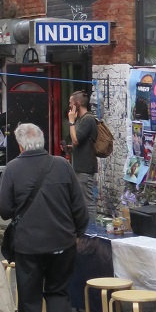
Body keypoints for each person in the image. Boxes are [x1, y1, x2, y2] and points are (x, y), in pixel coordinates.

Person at [0, 122, 89, 312]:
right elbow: (79, 207)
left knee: (29, 300)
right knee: (59, 293)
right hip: (62, 242)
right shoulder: (62, 165)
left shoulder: (12, 168)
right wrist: (77, 233)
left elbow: (3, 209)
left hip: (28, 246)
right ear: (42, 141)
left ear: (20, 145)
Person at [67, 90, 98, 223]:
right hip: (78, 166)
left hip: (85, 167)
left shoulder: (88, 119)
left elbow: (76, 140)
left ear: (77, 103)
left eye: (71, 103)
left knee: (87, 201)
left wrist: (71, 122)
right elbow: (78, 141)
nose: (69, 106)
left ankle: (92, 229)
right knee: (80, 200)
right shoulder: (81, 120)